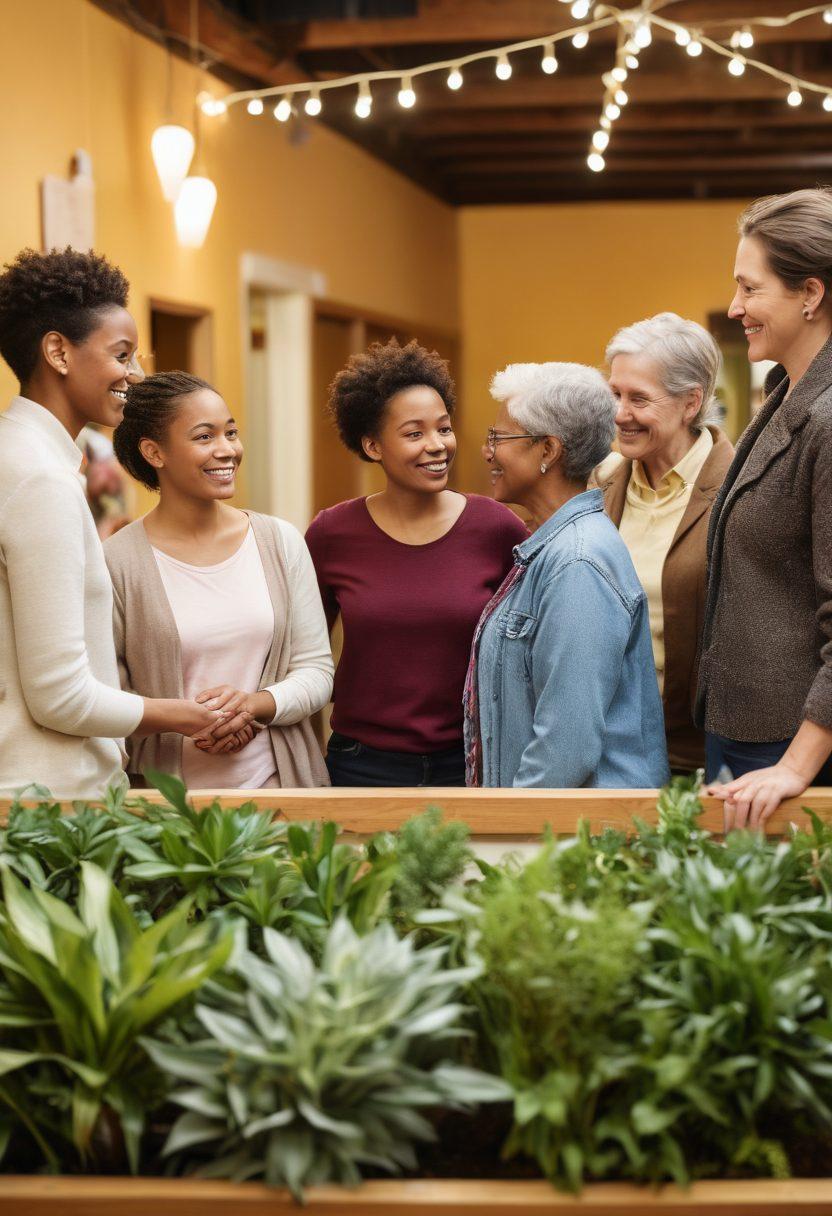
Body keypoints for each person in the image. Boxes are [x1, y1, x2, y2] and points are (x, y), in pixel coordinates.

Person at [0, 248, 224, 800]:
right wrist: (183, 715)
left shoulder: (25, 456)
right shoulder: (39, 480)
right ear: (57, 351)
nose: (136, 374)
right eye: (122, 354)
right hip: (49, 802)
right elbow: (60, 696)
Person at [305, 338, 528, 787]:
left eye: (443, 428)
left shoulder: (496, 527)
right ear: (372, 445)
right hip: (360, 764)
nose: (437, 445)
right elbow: (304, 658)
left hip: (469, 761)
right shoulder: (332, 533)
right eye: (414, 433)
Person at [105, 371, 333, 789]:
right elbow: (106, 700)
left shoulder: (279, 542)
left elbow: (316, 670)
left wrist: (255, 706)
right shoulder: (116, 562)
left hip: (281, 790)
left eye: (231, 432)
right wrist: (195, 719)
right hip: (164, 810)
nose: (227, 450)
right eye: (204, 437)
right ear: (154, 452)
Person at [465, 361, 669, 789]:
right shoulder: (555, 547)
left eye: (499, 438)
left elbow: (565, 748)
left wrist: (510, 839)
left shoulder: (578, 563)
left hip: (571, 839)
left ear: (548, 451)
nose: (488, 451)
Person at [697, 188, 832, 828]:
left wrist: (797, 765)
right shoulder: (783, 395)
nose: (734, 307)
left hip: (794, 748)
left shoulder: (829, 421)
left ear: (810, 295)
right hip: (746, 730)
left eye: (750, 289)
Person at [593, 313, 734, 774]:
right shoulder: (603, 480)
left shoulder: (739, 489)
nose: (619, 414)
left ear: (690, 403)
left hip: (703, 756)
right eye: (614, 394)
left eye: (638, 398)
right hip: (613, 747)